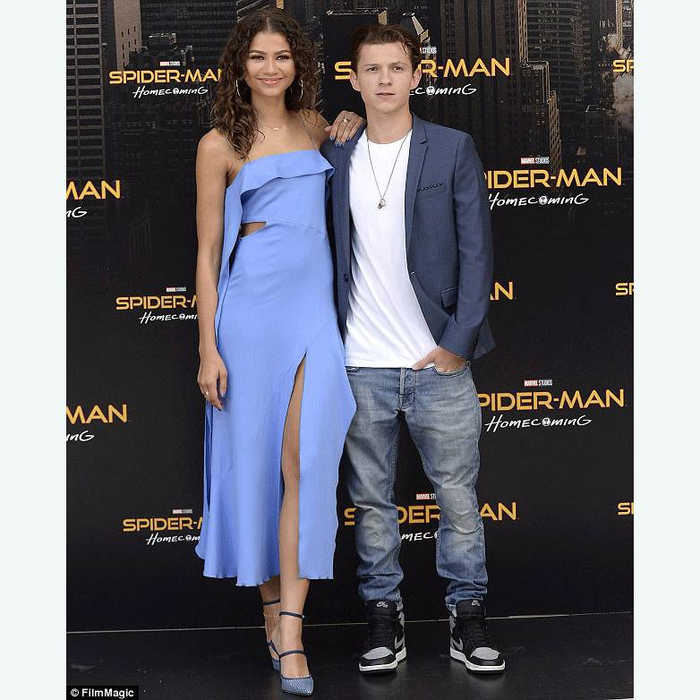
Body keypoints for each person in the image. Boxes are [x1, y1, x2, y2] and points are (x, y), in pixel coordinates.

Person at [321, 24, 505, 676]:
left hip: (438, 364)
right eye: (372, 69)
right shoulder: (335, 150)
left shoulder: (451, 148)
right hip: (360, 365)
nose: (385, 80)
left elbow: (477, 252)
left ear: (417, 76)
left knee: (458, 499)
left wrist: (457, 345)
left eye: (396, 68)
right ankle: (383, 617)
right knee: (371, 504)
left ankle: (467, 617)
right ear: (353, 78)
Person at [193, 8, 360, 696]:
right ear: (241, 64)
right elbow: (207, 255)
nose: (270, 68)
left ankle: (292, 627)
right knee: (258, 468)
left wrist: (348, 124)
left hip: (314, 313)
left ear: (299, 64)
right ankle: (273, 614)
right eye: (258, 56)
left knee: (305, 461)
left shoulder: (317, 126)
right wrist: (208, 346)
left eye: (282, 56)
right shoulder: (218, 145)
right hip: (249, 316)